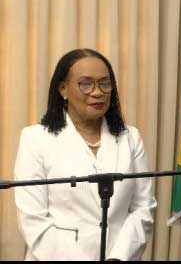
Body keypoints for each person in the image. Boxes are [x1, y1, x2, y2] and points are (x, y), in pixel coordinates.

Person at [14, 48, 157, 261]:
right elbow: (33, 219)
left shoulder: (130, 138)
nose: (97, 92)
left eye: (105, 83)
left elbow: (143, 209)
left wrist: (118, 258)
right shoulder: (35, 139)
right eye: (86, 84)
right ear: (63, 89)